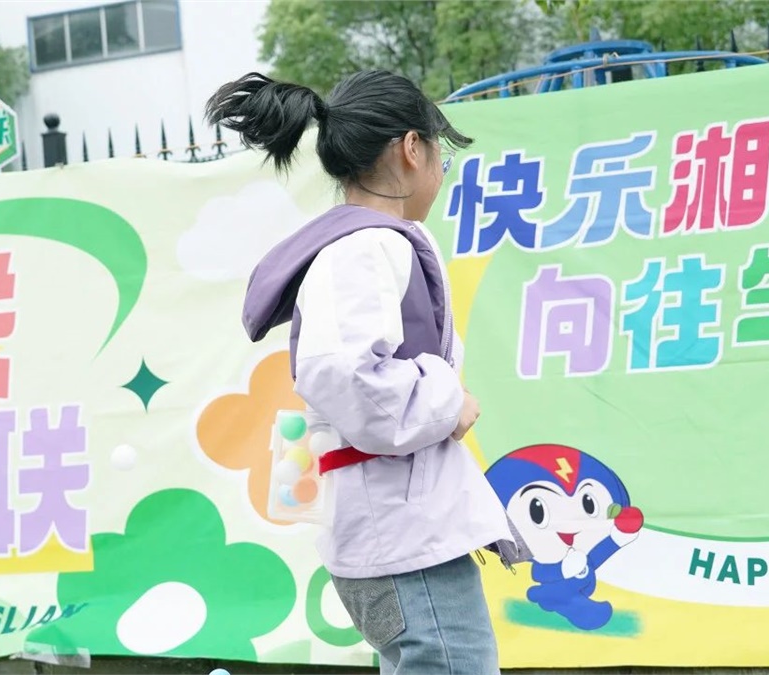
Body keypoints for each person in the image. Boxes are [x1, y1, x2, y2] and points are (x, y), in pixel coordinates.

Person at [207, 71, 529, 675]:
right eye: (440, 154)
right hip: (403, 535)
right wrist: (448, 402)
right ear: (412, 149)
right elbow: (345, 374)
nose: (440, 171)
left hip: (394, 529)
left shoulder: (364, 244)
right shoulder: (368, 247)